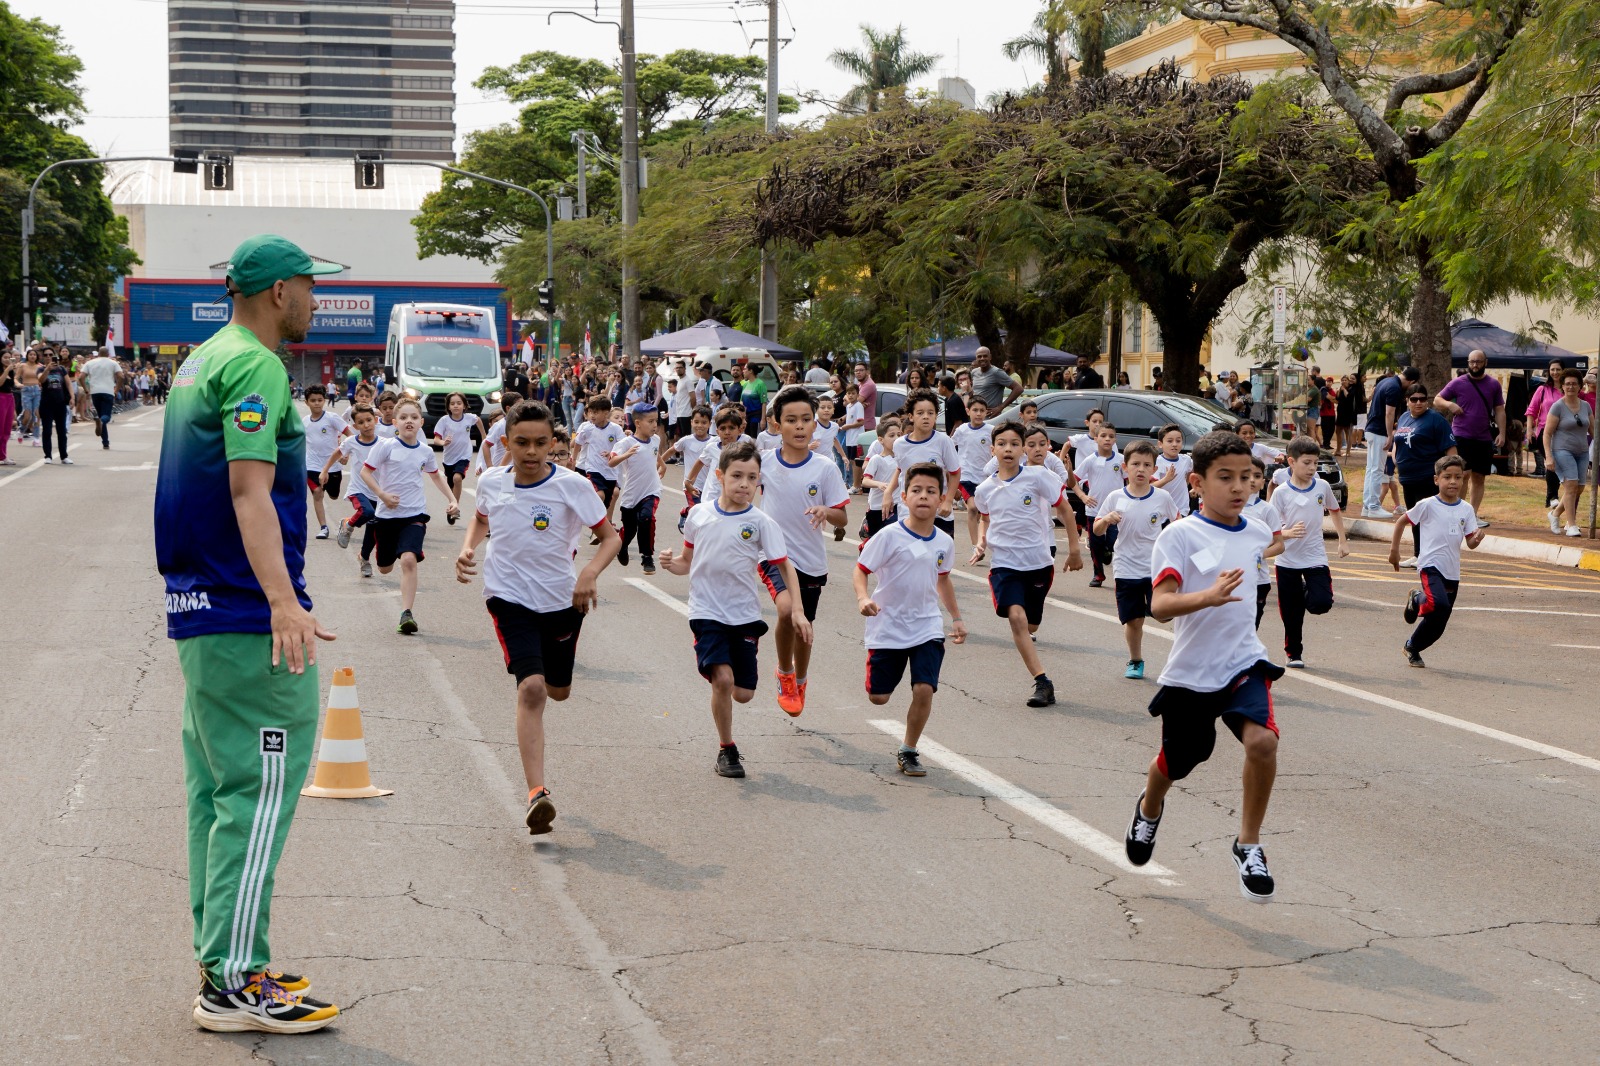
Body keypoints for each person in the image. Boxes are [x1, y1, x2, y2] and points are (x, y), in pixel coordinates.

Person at [155, 234, 345, 1033]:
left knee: (219, 797)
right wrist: (283, 601)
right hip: (243, 614)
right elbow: (248, 491)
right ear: (277, 292)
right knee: (258, 794)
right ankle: (234, 983)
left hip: (201, 612)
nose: (315, 300)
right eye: (309, 286)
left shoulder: (201, 361)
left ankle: (226, 961)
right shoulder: (257, 366)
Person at [1123, 430, 1286, 904]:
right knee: (1180, 761)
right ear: (1196, 482)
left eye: (1246, 477)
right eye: (1225, 477)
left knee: (1263, 741)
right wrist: (1207, 597)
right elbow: (1160, 605)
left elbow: (1259, 557)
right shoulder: (1179, 536)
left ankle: (1248, 844)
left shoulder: (1256, 531)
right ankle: (1150, 807)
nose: (1239, 487)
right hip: (1192, 671)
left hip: (1244, 659)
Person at [456, 400, 620, 833]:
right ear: (506, 442)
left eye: (541, 443)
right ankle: (536, 793)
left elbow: (610, 538)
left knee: (557, 691)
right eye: (522, 442)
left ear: (552, 443)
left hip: (562, 601)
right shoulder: (491, 482)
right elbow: (480, 519)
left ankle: (550, 679)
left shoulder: (573, 486)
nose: (531, 451)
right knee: (531, 689)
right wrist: (468, 547)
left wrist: (588, 573)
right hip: (508, 598)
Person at [659, 441, 809, 779]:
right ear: (720, 476)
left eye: (752, 478)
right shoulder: (699, 515)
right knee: (723, 680)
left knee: (743, 693)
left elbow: (784, 567)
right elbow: (686, 562)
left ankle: (765, 678)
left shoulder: (761, 522)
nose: (744, 484)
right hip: (706, 612)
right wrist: (671, 564)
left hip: (744, 615)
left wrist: (797, 610)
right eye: (737, 476)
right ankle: (727, 749)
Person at [855, 462, 966, 776]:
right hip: (888, 625)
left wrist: (956, 617)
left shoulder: (944, 542)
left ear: (941, 499)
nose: (923, 496)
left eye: (931, 491)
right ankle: (887, 681)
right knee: (878, 697)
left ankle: (909, 750)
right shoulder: (889, 536)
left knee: (924, 689)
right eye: (916, 490)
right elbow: (861, 570)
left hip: (926, 625)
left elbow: (943, 579)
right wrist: (863, 598)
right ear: (904, 497)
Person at [971, 421, 1080, 707]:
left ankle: (1038, 661)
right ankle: (1042, 681)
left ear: (1022, 450)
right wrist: (981, 542)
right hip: (1005, 565)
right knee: (1017, 618)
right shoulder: (985, 489)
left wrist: (1074, 550)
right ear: (992, 450)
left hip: (1039, 563)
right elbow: (985, 519)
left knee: (1032, 622)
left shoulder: (1038, 477)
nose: (1008, 449)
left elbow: (1065, 509)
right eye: (1002, 444)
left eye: (1014, 444)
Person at [762, 386, 851, 715]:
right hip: (774, 555)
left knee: (804, 626)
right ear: (777, 424)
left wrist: (826, 511)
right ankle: (785, 673)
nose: (799, 426)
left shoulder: (825, 468)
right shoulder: (764, 462)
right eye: (791, 420)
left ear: (815, 424)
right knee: (787, 611)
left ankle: (800, 678)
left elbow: (842, 516)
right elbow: (737, 489)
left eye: (805, 419)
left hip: (811, 560)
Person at [359, 396, 460, 634]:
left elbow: (435, 476)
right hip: (386, 516)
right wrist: (382, 495)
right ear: (395, 422)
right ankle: (370, 553)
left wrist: (453, 499)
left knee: (408, 560)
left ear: (421, 422)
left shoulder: (425, 451)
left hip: (414, 514)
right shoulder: (386, 446)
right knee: (385, 568)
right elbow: (365, 472)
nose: (409, 421)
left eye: (414, 417)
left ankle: (406, 613)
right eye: (403, 417)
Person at [1389, 456, 1486, 667]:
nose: (1453, 482)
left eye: (1458, 477)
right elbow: (1401, 521)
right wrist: (1394, 551)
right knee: (1438, 603)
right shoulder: (1428, 505)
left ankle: (1412, 647)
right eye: (1447, 477)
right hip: (1430, 565)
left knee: (1439, 621)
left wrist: (1477, 538)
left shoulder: (1466, 509)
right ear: (1436, 480)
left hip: (1452, 571)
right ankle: (1417, 598)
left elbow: (1470, 542)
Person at [1097, 440, 1181, 680]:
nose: (1141, 469)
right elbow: (1097, 530)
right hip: (1126, 566)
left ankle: (1157, 607)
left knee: (1163, 615)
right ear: (1125, 467)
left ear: (1154, 469)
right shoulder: (1114, 497)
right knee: (1134, 621)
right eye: (1135, 464)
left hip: (1156, 567)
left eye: (1146, 465)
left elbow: (1178, 523)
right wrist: (1106, 520)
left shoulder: (1162, 497)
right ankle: (1135, 661)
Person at [1266, 436, 1347, 669]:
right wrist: (1287, 533)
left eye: (1315, 463)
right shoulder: (1281, 493)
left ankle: (1304, 590)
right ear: (1291, 462)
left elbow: (1334, 510)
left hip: (1314, 556)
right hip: (1287, 559)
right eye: (1307, 463)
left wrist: (1342, 540)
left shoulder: (1322, 486)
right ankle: (1293, 653)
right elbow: (1270, 529)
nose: (1312, 468)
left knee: (1321, 603)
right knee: (1291, 614)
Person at [1434, 349, 1504, 526]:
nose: (1475, 365)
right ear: (1468, 363)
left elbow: (1499, 410)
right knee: (1462, 474)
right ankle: (1457, 512)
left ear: (1485, 362)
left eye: (1478, 361)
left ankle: (1472, 515)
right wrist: (1449, 405)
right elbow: (1437, 400)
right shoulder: (1458, 382)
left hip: (1483, 437)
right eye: (1472, 362)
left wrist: (1502, 433)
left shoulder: (1493, 384)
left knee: (1479, 477)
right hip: (1461, 435)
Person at [881, 387, 961, 538]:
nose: (926, 417)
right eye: (920, 413)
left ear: (936, 416)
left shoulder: (944, 441)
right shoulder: (899, 444)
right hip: (908, 511)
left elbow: (955, 473)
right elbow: (900, 469)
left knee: (939, 551)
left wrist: (948, 501)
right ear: (911, 416)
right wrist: (888, 492)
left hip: (939, 512)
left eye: (930, 413)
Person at [1392, 384, 1457, 558]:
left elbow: (1451, 451)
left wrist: (1449, 476)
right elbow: (1398, 441)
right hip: (1408, 479)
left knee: (1428, 519)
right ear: (1407, 401)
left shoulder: (1436, 420)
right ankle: (1418, 555)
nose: (1418, 402)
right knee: (1415, 518)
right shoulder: (1404, 417)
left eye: (1422, 399)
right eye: (1414, 399)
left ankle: (1429, 555)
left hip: (1427, 478)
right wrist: (1396, 460)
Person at [607, 402, 666, 573]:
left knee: (647, 518)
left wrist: (663, 464)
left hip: (652, 490)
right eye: (650, 421)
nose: (655, 425)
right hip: (632, 494)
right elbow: (611, 462)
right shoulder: (626, 443)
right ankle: (622, 545)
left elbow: (654, 453)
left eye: (656, 421)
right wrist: (627, 454)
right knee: (630, 529)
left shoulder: (656, 439)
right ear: (638, 423)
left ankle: (647, 557)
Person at [326, 402, 382, 575]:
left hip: (377, 492)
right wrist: (324, 471)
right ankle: (348, 524)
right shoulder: (351, 442)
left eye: (369, 420)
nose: (366, 425)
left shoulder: (384, 443)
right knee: (367, 512)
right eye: (361, 422)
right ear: (355, 426)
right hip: (358, 489)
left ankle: (364, 559)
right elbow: (337, 453)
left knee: (374, 528)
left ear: (375, 420)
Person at [1074, 422, 1126, 588]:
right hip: (1094, 509)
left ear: (1115, 439)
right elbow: (1072, 480)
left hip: (1116, 510)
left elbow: (1129, 481)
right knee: (1095, 545)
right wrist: (1083, 496)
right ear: (1096, 438)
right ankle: (1098, 574)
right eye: (1103, 436)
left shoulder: (1121, 460)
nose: (1107, 439)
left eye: (1111, 436)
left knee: (1113, 540)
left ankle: (1107, 550)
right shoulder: (1090, 460)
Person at [1543, 368, 1593, 537]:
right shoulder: (1557, 406)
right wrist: (1548, 456)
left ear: (1580, 386)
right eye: (1567, 384)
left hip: (1582, 452)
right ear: (1562, 386)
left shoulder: (1585, 406)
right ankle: (1571, 525)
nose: (1571, 387)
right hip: (1562, 451)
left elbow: (1593, 430)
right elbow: (1547, 433)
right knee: (1571, 486)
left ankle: (1555, 513)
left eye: (1574, 384)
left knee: (1579, 488)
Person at [300, 384, 349, 539]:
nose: (317, 403)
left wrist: (345, 453)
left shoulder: (332, 418)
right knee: (317, 493)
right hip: (312, 465)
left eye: (320, 400)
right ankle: (323, 528)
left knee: (334, 495)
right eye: (313, 400)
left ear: (324, 400)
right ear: (306, 402)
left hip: (333, 467)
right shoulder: (304, 422)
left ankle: (343, 522)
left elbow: (351, 435)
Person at [575, 395, 625, 529]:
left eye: (596, 412)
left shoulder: (615, 429)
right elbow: (577, 443)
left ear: (606, 413)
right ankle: (589, 519)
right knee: (599, 495)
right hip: (593, 469)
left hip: (610, 472)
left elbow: (622, 445)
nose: (592, 415)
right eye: (591, 412)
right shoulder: (587, 428)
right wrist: (573, 459)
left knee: (606, 503)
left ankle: (598, 527)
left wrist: (612, 453)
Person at [433, 392, 485, 520]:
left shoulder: (469, 418)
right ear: (448, 407)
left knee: (457, 478)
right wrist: (443, 442)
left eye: (459, 403)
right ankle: (452, 505)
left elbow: (478, 419)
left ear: (464, 405)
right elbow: (436, 439)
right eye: (452, 404)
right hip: (448, 459)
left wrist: (484, 436)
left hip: (464, 456)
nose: (456, 406)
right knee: (451, 485)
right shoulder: (444, 421)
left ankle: (455, 508)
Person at [952, 396, 993, 548]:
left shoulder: (991, 430)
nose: (978, 413)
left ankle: (982, 537)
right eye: (975, 410)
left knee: (983, 511)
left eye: (982, 410)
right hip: (966, 475)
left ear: (986, 412)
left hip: (985, 477)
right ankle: (976, 546)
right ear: (968, 411)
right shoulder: (962, 430)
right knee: (973, 508)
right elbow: (950, 446)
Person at [1525, 360, 1566, 500]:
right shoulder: (1542, 390)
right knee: (1552, 460)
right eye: (1552, 369)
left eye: (1558, 369)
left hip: (1564, 433)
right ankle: (1552, 497)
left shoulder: (1569, 389)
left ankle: (1554, 498)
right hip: (1544, 432)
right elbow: (1531, 410)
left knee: (1559, 463)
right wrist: (1529, 429)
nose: (1555, 372)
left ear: (1563, 370)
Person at [672, 404, 714, 532]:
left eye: (704, 422)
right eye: (696, 422)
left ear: (710, 424)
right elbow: (671, 450)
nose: (700, 425)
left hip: (709, 485)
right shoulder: (686, 440)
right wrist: (660, 464)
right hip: (691, 485)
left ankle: (686, 511)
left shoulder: (714, 442)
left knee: (705, 510)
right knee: (699, 513)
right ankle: (695, 534)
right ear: (691, 422)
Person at [861, 418, 901, 541]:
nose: (896, 438)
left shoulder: (902, 458)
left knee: (894, 538)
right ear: (881, 440)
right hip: (877, 507)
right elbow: (865, 481)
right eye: (892, 435)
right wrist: (879, 484)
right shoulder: (877, 459)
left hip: (897, 505)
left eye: (899, 435)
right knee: (876, 541)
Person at [78, 346, 121, 451]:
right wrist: (116, 389)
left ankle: (105, 443)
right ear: (108, 354)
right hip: (108, 391)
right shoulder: (113, 363)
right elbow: (121, 376)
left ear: (98, 353)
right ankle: (101, 422)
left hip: (95, 392)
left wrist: (86, 389)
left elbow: (81, 377)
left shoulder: (90, 363)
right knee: (106, 417)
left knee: (101, 416)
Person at [37, 349, 74, 464]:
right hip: (46, 403)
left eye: (51, 355)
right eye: (46, 355)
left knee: (62, 431)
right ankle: (48, 456)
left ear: (55, 356)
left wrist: (72, 397)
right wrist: (47, 369)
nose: (48, 357)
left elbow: (68, 383)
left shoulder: (61, 369)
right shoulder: (41, 369)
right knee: (47, 430)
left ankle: (64, 456)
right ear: (43, 357)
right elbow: (41, 380)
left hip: (60, 403)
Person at [1151, 424, 1193, 518]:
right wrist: (1166, 479)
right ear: (1160, 444)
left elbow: (1192, 471)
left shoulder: (1186, 460)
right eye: (1170, 441)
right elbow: (1150, 487)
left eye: (1178, 441)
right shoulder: (1157, 462)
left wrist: (1187, 483)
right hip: (1162, 512)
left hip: (1181, 510)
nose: (1174, 444)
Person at [969, 346, 1024, 416]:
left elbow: (1019, 389)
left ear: (990, 357)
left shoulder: (997, 372)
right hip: (976, 414)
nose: (982, 358)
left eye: (985, 356)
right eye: (979, 356)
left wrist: (1001, 407)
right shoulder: (974, 372)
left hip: (990, 416)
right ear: (976, 358)